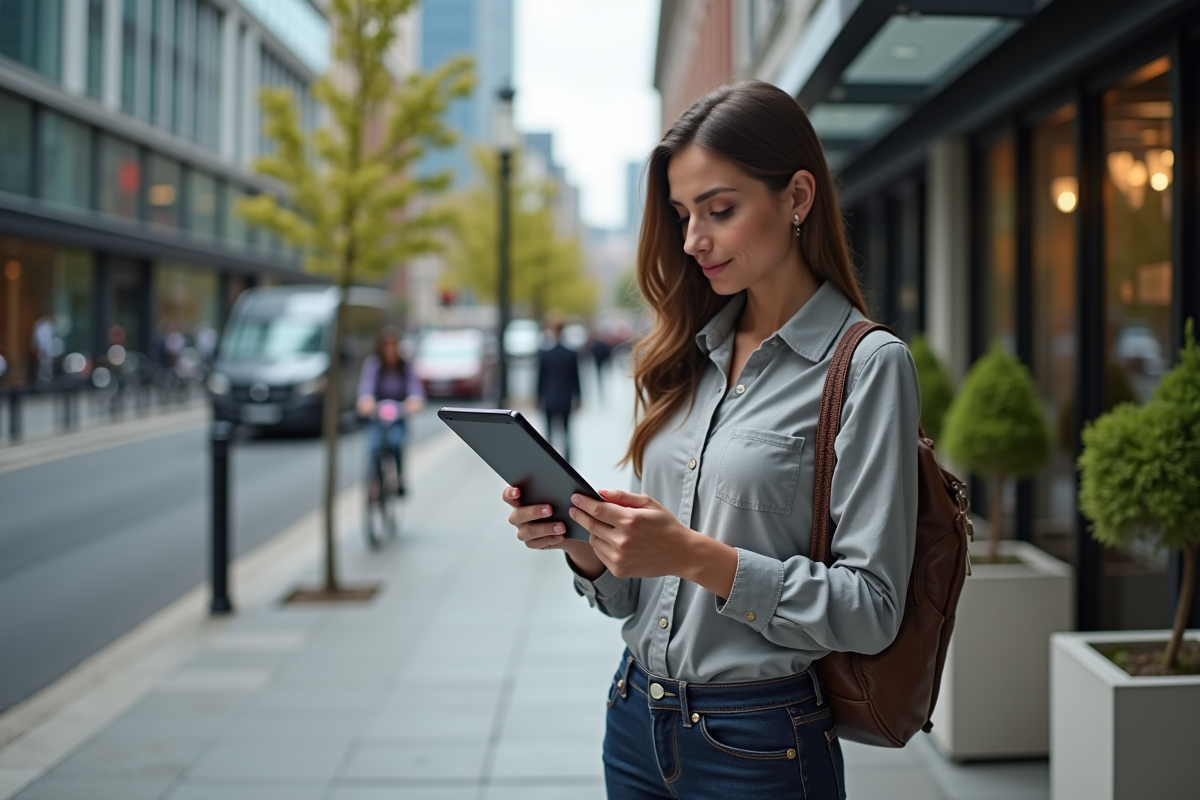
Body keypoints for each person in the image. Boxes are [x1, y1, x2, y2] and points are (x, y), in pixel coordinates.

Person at [502, 81, 919, 799]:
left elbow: (872, 608)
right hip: (634, 716)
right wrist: (586, 544)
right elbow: (638, 599)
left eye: (720, 210)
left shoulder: (868, 366)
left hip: (759, 743)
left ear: (796, 197)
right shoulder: (687, 354)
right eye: (681, 215)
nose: (693, 240)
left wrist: (694, 554)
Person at [357, 326, 424, 496]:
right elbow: (366, 388)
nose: (390, 351)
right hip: (377, 417)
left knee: (396, 444)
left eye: (393, 346)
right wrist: (366, 401)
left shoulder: (405, 367)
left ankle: (399, 478)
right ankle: (374, 482)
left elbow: (415, 390)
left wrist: (413, 403)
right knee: (374, 447)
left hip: (398, 417)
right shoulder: (374, 365)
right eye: (386, 346)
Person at [536, 312, 582, 461]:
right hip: (565, 397)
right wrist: (579, 397)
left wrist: (538, 396)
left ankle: (550, 459)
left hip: (549, 397)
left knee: (549, 432)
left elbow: (540, 378)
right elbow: (576, 378)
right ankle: (568, 460)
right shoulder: (570, 353)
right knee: (566, 432)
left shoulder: (544, 353)